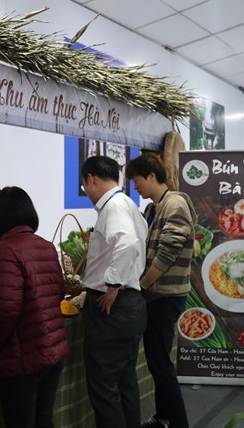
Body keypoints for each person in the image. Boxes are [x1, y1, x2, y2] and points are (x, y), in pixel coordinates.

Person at [0, 186, 70, 428]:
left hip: (23, 355)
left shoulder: (5, 249)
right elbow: (58, 292)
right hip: (53, 350)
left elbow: (9, 310)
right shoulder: (44, 245)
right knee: (44, 419)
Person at [126, 153, 197, 428]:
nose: (135, 187)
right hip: (158, 295)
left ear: (152, 176)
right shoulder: (154, 207)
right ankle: (164, 417)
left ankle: (177, 423)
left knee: (161, 364)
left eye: (137, 180)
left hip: (165, 296)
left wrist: (141, 284)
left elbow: (168, 252)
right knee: (157, 362)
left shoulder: (175, 203)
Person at [79, 155, 148, 428]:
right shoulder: (127, 204)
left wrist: (112, 285)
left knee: (104, 387)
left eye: (85, 185)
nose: (86, 191)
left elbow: (128, 243)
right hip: (129, 307)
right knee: (124, 381)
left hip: (113, 309)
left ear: (91, 180)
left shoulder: (115, 207)